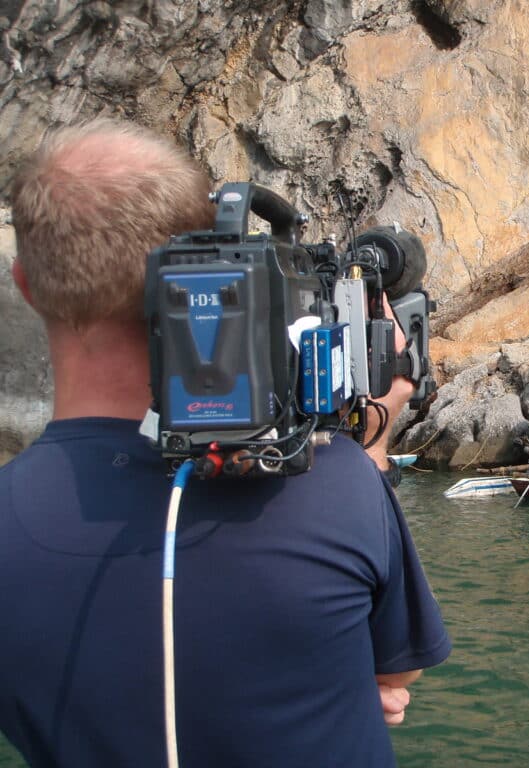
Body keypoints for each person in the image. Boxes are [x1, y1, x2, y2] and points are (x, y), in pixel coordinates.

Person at [0, 119, 450, 767]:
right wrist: (373, 439)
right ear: (207, 270)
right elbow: (393, 676)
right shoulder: (332, 484)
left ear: (26, 286)